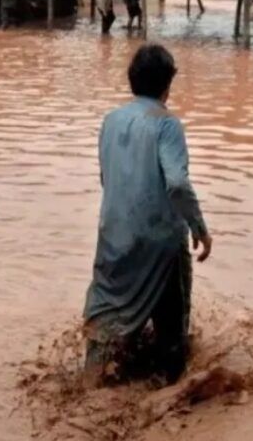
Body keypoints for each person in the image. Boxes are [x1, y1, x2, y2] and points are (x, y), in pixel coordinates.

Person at [83, 44, 212, 386]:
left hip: (113, 236)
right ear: (168, 85)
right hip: (159, 241)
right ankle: (167, 388)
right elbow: (178, 185)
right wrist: (199, 227)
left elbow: (105, 178)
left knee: (104, 320)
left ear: (132, 82)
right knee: (172, 334)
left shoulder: (110, 122)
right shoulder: (167, 124)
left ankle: (92, 380)